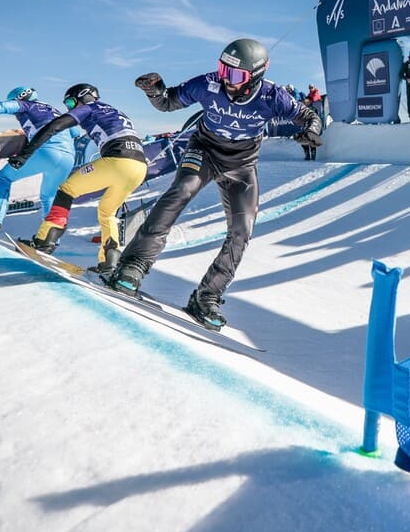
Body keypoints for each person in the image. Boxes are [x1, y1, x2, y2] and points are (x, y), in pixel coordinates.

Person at [106, 38, 322, 331]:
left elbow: (308, 115)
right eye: (222, 70)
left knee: (242, 230)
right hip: (204, 151)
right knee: (181, 191)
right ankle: (133, 265)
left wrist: (311, 130)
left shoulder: (273, 96)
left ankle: (207, 296)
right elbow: (169, 101)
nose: (225, 80)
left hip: (242, 165)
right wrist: (155, 92)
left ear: (255, 77)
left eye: (234, 76)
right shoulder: (208, 84)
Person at [12, 84, 147, 272]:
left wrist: (25, 153)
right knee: (107, 212)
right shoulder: (115, 110)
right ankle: (109, 263)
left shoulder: (89, 107)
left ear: (82, 96)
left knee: (66, 190)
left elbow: (54, 126)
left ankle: (44, 241)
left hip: (117, 160)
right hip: (139, 167)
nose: (69, 107)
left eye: (69, 102)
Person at [0, 86, 83, 235]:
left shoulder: (26, 105)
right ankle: (48, 239)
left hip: (47, 151)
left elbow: (2, 106)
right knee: (49, 196)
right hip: (68, 157)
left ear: (19, 97)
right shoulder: (53, 110)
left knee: (4, 177)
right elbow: (75, 132)